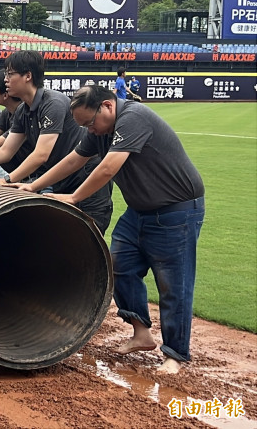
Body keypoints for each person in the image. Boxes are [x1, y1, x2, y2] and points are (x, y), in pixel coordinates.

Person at [16, 85, 205, 374]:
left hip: (176, 212)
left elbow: (107, 168)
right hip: (138, 211)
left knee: (173, 283)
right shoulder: (99, 129)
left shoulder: (133, 118)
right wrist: (33, 186)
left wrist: (74, 197)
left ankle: (175, 355)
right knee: (118, 265)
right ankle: (141, 334)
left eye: (90, 123)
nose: (89, 130)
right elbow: (74, 159)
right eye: (83, 126)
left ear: (107, 106)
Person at [0, 50, 113, 234]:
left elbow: (41, 154)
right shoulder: (22, 111)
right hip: (60, 181)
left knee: (88, 238)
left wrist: (6, 180)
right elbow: (5, 151)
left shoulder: (52, 103)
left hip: (85, 180)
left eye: (10, 74)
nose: (5, 80)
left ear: (28, 76)